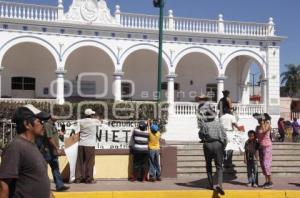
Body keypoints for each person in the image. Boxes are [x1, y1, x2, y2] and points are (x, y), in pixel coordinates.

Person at [0, 104, 51, 198]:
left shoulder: (33, 146)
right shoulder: (16, 146)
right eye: (39, 121)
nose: (43, 125)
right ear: (27, 124)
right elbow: (3, 185)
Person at [198, 102, 227, 195]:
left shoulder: (204, 125)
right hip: (218, 144)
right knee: (219, 167)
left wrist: (203, 136)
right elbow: (225, 137)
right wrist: (223, 146)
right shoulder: (219, 124)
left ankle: (211, 185)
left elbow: (200, 135)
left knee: (208, 165)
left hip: (208, 145)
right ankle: (220, 185)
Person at [36, 116, 69, 192]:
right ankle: (41, 186)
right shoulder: (47, 125)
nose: (57, 116)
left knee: (55, 168)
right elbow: (49, 138)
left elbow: (53, 137)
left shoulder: (53, 125)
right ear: (50, 116)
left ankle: (59, 185)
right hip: (47, 151)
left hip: (52, 151)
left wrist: (60, 134)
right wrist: (57, 148)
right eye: (55, 114)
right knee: (44, 169)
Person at [75, 108, 101, 184]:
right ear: (91, 115)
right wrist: (97, 118)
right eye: (93, 114)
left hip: (81, 144)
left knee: (79, 162)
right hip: (90, 144)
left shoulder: (81, 121)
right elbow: (100, 122)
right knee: (90, 162)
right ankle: (89, 179)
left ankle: (78, 178)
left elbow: (76, 128)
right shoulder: (95, 121)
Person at [254, 113, 273, 189]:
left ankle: (270, 181)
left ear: (264, 120)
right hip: (261, 147)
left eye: (260, 120)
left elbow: (264, 131)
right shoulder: (257, 127)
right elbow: (256, 137)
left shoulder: (268, 125)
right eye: (258, 120)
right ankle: (267, 181)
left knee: (266, 164)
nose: (259, 121)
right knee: (262, 165)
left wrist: (262, 123)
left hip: (267, 147)